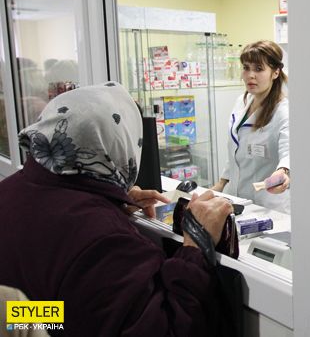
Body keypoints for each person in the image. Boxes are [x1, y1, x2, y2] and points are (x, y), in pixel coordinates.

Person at [0, 82, 233, 336]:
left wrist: (109, 201)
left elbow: (28, 314)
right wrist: (196, 244)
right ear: (121, 145)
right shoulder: (103, 241)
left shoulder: (10, 191)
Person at [211, 40, 291, 214]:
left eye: (259, 69)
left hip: (268, 207)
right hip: (236, 199)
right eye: (246, 68)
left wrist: (283, 172)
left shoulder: (284, 112)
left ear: (275, 72)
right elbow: (235, 151)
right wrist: (221, 184)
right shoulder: (242, 101)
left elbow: (289, 152)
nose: (250, 75)